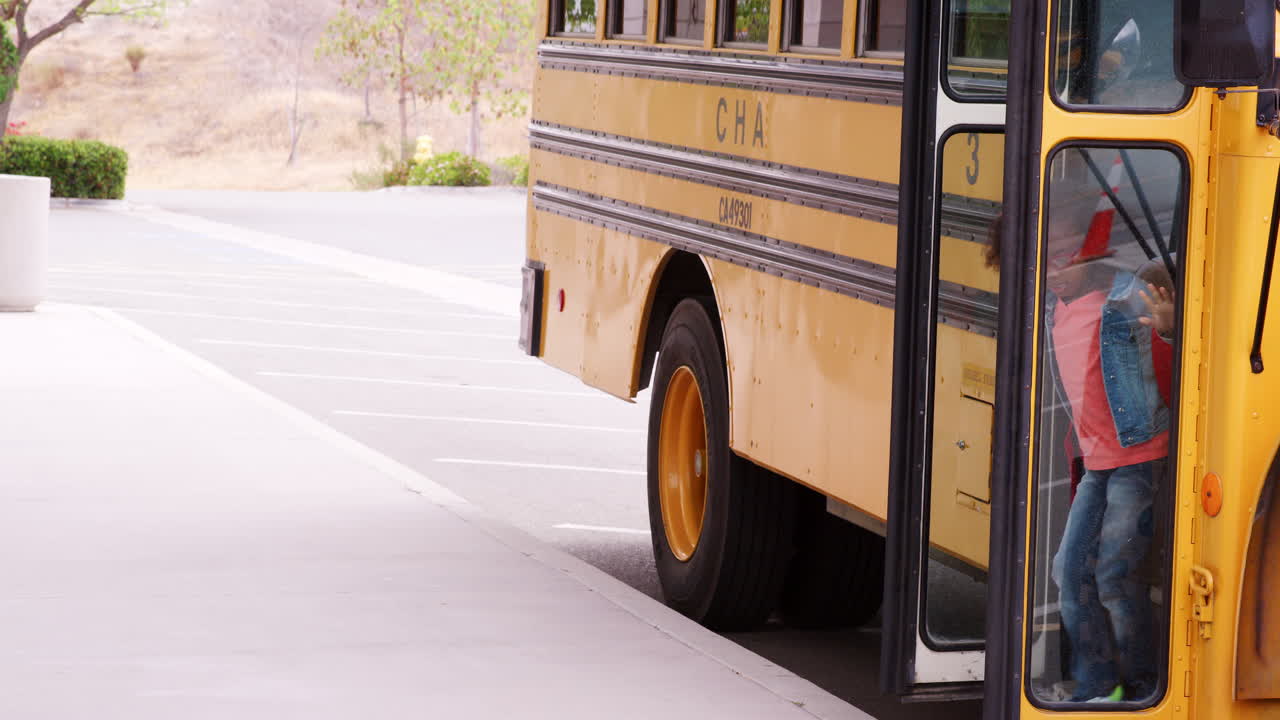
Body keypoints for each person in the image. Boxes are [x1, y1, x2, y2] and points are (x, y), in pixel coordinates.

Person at [1042, 216, 1174, 703]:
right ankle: (1100, 683)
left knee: (1115, 576)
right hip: (1098, 463)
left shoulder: (1120, 303)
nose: (1053, 271)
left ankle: (1137, 687)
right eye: (1046, 260)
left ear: (1090, 259)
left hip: (1138, 457)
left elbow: (1171, 359)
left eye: (1064, 260)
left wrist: (1167, 331)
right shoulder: (1056, 308)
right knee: (1069, 572)